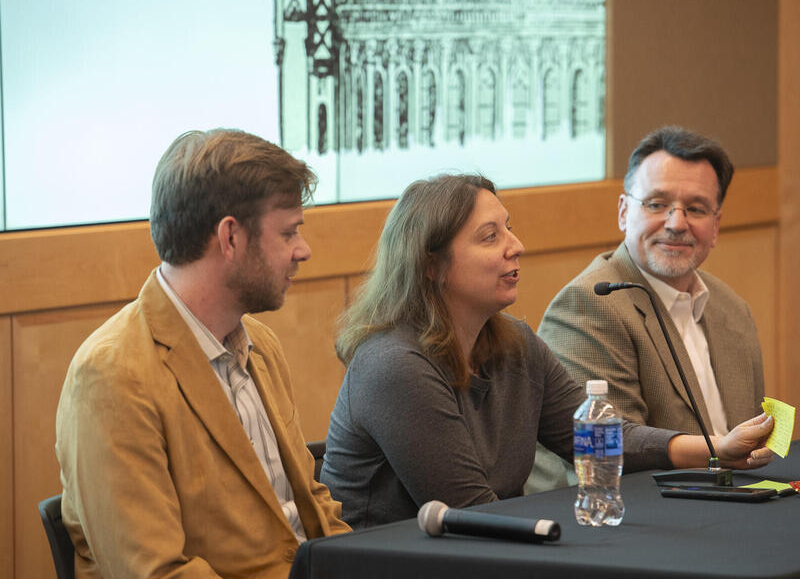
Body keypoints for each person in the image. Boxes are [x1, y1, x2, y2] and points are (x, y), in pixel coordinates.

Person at [320, 173, 774, 529]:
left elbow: (598, 436)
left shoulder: (515, 343)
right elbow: (469, 511)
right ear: (432, 264)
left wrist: (716, 448)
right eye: (490, 236)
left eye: (509, 230)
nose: (516, 247)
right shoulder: (393, 365)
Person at [56, 129, 349, 578]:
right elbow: (156, 572)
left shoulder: (260, 346)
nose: (303, 250)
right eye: (288, 232)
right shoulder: (112, 376)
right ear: (230, 237)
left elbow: (313, 507)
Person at [538, 126, 764, 435]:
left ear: (715, 226)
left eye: (696, 209)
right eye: (656, 204)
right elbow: (614, 456)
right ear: (623, 211)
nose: (676, 224)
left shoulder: (732, 308)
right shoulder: (588, 306)